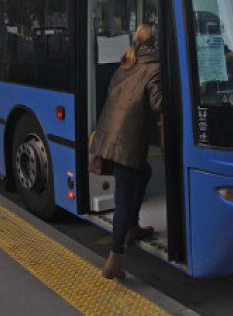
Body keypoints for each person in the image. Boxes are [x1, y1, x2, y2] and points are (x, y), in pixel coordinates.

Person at [89, 23, 162, 280]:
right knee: (123, 197)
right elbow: (158, 104)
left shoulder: (127, 64)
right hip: (128, 142)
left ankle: (132, 227)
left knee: (144, 173)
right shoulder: (154, 68)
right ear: (156, 44)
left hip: (111, 136)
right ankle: (113, 260)